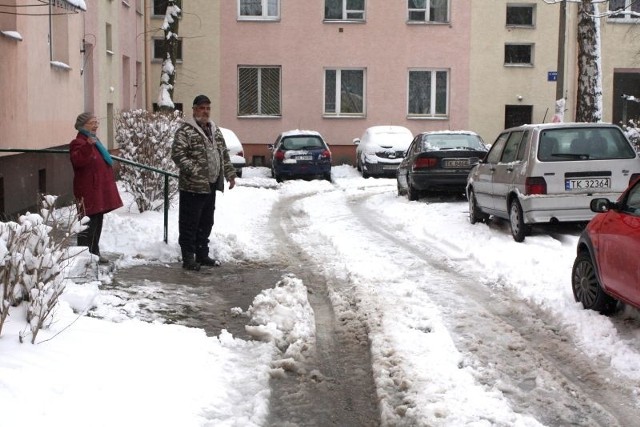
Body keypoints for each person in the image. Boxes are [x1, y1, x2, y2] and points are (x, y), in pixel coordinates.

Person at [172, 95, 237, 271]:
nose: (205, 111)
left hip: (210, 185)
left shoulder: (214, 130)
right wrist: (194, 170)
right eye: (202, 108)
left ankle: (202, 254)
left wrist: (230, 174)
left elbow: (223, 153)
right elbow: (178, 155)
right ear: (194, 110)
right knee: (189, 223)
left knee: (206, 222)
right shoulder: (185, 131)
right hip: (192, 186)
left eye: (208, 108)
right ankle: (188, 258)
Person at [69, 112, 123, 264]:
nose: (96, 125)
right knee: (87, 223)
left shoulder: (94, 141)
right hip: (87, 190)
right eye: (93, 122)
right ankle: (85, 256)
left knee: (97, 221)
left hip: (97, 189)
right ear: (83, 125)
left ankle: (94, 252)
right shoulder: (78, 142)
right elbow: (77, 161)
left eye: (96, 122)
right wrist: (87, 146)